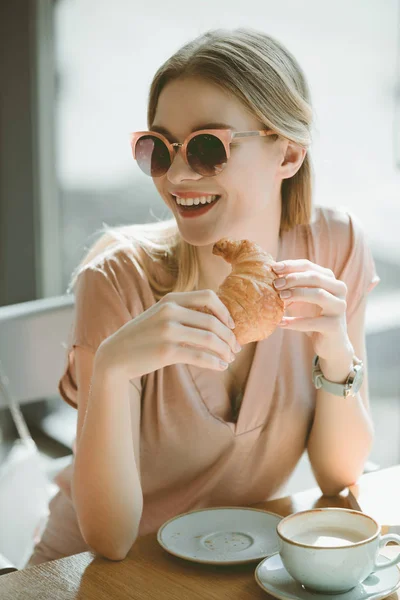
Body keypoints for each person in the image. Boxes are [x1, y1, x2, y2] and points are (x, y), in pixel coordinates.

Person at [27, 27, 380, 566]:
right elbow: (109, 540)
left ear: (287, 153)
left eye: (209, 147)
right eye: (158, 150)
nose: (179, 176)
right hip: (94, 578)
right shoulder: (117, 279)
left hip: (240, 568)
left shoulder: (335, 245)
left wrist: (335, 352)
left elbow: (339, 474)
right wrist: (115, 367)